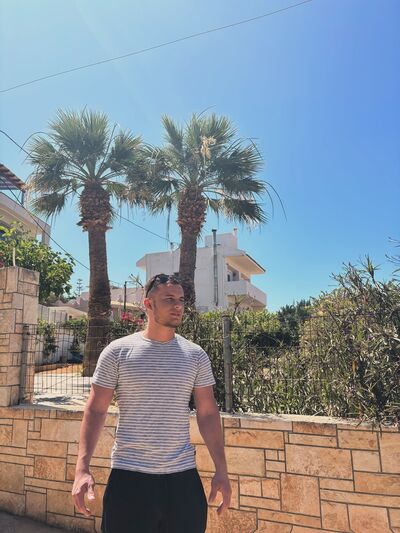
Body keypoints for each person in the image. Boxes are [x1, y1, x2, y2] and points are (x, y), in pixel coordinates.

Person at [72, 273, 231, 532]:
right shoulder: (117, 352)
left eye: (181, 299)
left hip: (182, 480)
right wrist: (82, 469)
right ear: (148, 304)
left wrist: (221, 470)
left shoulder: (195, 355)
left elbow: (208, 414)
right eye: (169, 299)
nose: (178, 306)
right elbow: (96, 410)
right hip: (129, 479)